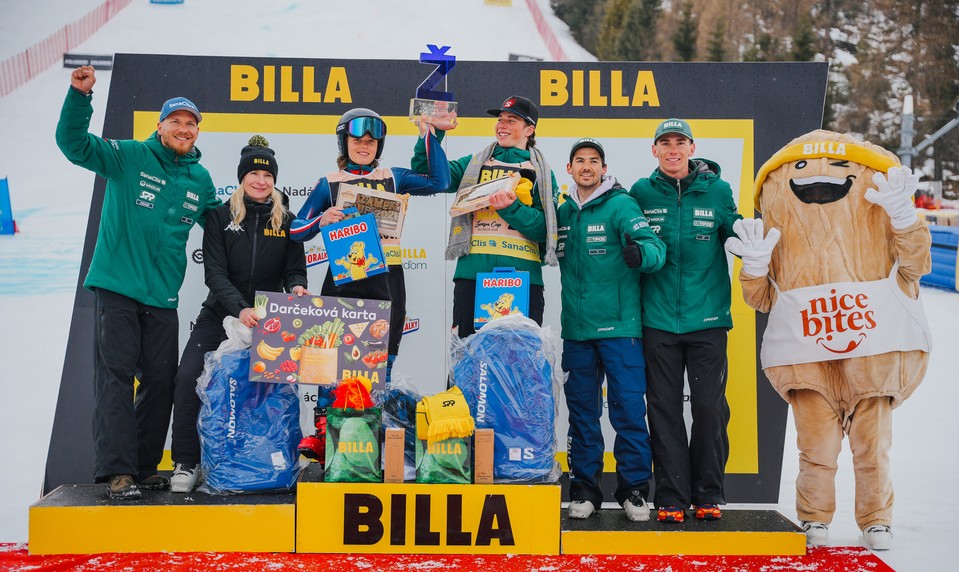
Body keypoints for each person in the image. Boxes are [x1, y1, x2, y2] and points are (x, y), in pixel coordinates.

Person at [725, 130, 931, 551]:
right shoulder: (779, 232)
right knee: (815, 447)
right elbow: (761, 299)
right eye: (800, 168)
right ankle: (813, 516)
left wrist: (904, 220)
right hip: (807, 356)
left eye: (840, 166)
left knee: (872, 446)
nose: (818, 178)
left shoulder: (884, 220)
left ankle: (876, 519)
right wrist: (755, 267)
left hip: (872, 351)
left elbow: (915, 266)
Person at [55, 65, 221, 500]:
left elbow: (225, 226)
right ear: (160, 126)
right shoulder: (128, 156)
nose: (184, 129)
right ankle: (117, 472)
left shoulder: (200, 179)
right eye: (176, 121)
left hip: (162, 298)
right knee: (115, 378)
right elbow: (74, 145)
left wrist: (276, 219)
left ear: (197, 132)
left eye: (191, 123)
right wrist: (80, 97)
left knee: (161, 383)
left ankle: (145, 467)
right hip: (118, 288)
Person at [169, 135, 309, 493]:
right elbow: (214, 274)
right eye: (254, 174)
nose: (261, 181)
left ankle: (276, 461)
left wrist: (297, 288)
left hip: (270, 319)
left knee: (273, 393)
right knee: (187, 377)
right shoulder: (220, 217)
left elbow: (295, 270)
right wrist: (240, 308)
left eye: (268, 175)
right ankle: (186, 462)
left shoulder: (288, 221)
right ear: (242, 177)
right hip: (221, 313)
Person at [628, 118, 742, 523]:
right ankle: (671, 497)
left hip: (708, 318)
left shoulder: (718, 190)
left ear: (692, 149)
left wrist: (748, 241)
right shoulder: (640, 192)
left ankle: (708, 493)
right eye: (665, 143)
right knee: (664, 409)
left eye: (680, 142)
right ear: (654, 150)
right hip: (657, 320)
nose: (672, 149)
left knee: (710, 408)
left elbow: (734, 233)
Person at [290, 108, 450, 383]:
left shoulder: (393, 177)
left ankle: (376, 411)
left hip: (387, 279)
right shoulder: (329, 183)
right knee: (335, 367)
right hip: (345, 280)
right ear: (344, 142)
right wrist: (320, 220)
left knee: (380, 366)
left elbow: (441, 182)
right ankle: (330, 413)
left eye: (371, 142)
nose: (364, 147)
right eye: (357, 141)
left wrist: (428, 135)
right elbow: (295, 230)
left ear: (379, 145)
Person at [557, 138, 666, 520]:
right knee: (582, 416)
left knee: (629, 413)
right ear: (569, 169)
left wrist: (642, 254)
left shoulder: (621, 204)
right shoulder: (563, 210)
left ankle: (634, 491)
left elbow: (654, 248)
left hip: (620, 330)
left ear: (603, 169)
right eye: (580, 160)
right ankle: (584, 491)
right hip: (577, 332)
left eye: (594, 161)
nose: (586, 166)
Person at [411, 95, 559, 338]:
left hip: (522, 276)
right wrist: (432, 135)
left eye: (511, 120)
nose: (502, 125)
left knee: (518, 355)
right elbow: (429, 174)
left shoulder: (541, 173)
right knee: (468, 353)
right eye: (500, 119)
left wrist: (511, 209)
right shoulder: (474, 165)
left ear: (529, 129)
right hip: (473, 273)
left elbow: (545, 229)